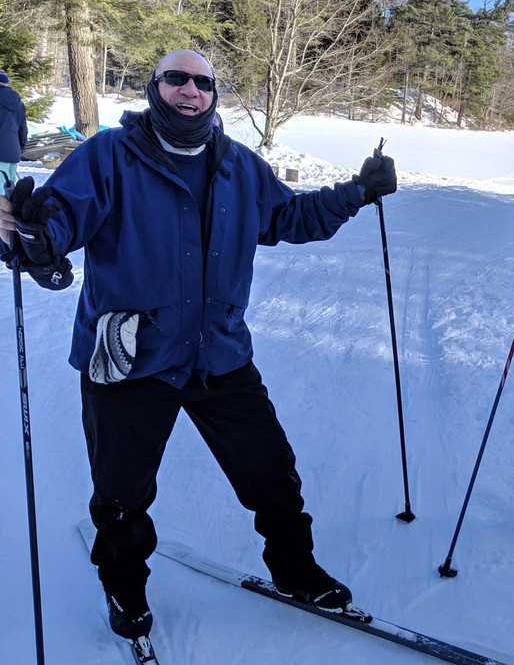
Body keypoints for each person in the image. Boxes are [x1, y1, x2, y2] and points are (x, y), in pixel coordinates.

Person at [0, 50, 398, 643]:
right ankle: (125, 589)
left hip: (219, 353)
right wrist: (35, 237)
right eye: (176, 78)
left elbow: (289, 217)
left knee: (272, 474)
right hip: (132, 359)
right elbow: (60, 217)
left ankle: (295, 570)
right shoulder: (108, 155)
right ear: (154, 86)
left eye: (203, 82)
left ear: (214, 95)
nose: (190, 90)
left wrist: (357, 192)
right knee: (121, 493)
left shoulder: (239, 166)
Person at [0, 69, 28, 189]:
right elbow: (23, 130)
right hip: (13, 151)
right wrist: (19, 148)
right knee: (10, 191)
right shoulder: (18, 102)